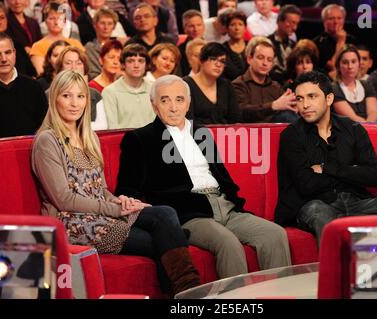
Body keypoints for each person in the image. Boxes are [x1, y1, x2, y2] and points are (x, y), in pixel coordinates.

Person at [31, 69, 200, 296]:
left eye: (80, 96)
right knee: (165, 240)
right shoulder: (47, 140)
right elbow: (64, 200)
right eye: (66, 96)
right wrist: (116, 209)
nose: (74, 103)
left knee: (164, 213)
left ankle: (187, 291)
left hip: (101, 213)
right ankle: (188, 293)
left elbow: (100, 191)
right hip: (73, 223)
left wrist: (122, 201)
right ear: (55, 99)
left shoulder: (88, 136)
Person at [115, 74, 291, 279]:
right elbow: (127, 188)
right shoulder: (140, 139)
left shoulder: (201, 133)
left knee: (275, 235)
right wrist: (127, 198)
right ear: (154, 105)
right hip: (189, 213)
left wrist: (232, 203)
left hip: (225, 206)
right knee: (228, 243)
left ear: (188, 103)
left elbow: (222, 176)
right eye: (165, 100)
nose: (173, 107)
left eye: (179, 99)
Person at [275, 71, 377, 244]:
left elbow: (373, 176)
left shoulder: (352, 129)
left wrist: (326, 168)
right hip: (313, 203)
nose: (305, 104)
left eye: (312, 96)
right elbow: (306, 184)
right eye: (300, 99)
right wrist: (351, 173)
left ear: (329, 99)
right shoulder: (291, 136)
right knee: (323, 218)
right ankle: (335, 271)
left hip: (356, 201)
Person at [0, 32, 47, 138]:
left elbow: (45, 127)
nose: (4, 59)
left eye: (8, 52)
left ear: (14, 53)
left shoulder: (34, 87)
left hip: (30, 151)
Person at [232, 36, 298, 123]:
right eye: (260, 58)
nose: (265, 63)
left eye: (269, 60)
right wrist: (273, 106)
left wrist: (294, 105)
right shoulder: (238, 84)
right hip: (250, 134)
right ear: (249, 59)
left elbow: (287, 107)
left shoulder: (276, 87)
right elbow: (241, 112)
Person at [184, 42, 241, 124]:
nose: (218, 64)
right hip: (196, 135)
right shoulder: (186, 85)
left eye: (222, 61)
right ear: (201, 60)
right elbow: (187, 122)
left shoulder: (226, 86)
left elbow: (236, 120)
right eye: (213, 59)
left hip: (224, 135)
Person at [102, 43, 155, 129]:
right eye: (131, 61)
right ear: (123, 64)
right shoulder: (110, 92)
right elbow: (112, 128)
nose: (136, 65)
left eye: (141, 61)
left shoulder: (154, 89)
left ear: (146, 65)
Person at [54, 46, 107, 130]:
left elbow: (103, 126)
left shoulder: (95, 94)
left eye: (79, 63)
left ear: (84, 67)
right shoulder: (49, 94)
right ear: (60, 68)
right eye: (68, 63)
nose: (74, 67)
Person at [30, 1, 84, 75]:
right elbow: (42, 74)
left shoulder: (76, 44)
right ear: (45, 21)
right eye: (52, 18)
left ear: (65, 21)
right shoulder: (38, 46)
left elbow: (84, 70)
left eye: (60, 18)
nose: (56, 22)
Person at [332, 45, 377, 122]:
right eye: (345, 62)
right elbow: (352, 118)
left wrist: (370, 127)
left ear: (359, 64)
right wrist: (367, 128)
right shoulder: (334, 88)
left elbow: (373, 112)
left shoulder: (367, 84)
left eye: (353, 61)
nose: (350, 66)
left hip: (370, 128)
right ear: (338, 65)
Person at [313, 4, 356, 75]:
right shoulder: (318, 42)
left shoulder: (352, 40)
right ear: (324, 21)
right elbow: (333, 66)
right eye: (331, 18)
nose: (336, 22)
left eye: (339, 18)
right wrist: (340, 42)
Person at [267, 4, 302, 84]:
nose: (294, 28)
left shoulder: (295, 46)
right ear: (279, 21)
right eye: (292, 23)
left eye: (296, 24)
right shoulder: (267, 43)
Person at [84, 8, 119, 80]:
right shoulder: (90, 47)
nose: (106, 27)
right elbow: (92, 73)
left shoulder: (118, 47)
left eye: (110, 23)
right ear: (95, 25)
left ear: (114, 27)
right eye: (102, 23)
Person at [222, 10, 248, 81]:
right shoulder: (222, 49)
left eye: (240, 24)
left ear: (245, 28)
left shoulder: (252, 46)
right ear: (227, 29)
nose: (237, 28)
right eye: (232, 25)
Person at [178, 10, 206, 76]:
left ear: (204, 26)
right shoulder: (180, 51)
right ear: (184, 29)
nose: (195, 29)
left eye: (199, 25)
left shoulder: (212, 47)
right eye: (191, 26)